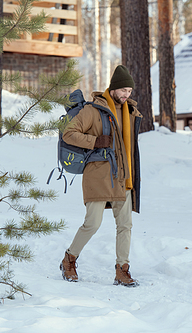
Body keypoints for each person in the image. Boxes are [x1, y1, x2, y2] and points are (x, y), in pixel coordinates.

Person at [59, 65, 143, 287]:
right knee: (92, 223)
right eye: (123, 90)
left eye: (130, 91)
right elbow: (69, 133)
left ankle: (122, 269)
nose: (126, 95)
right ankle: (69, 259)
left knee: (125, 225)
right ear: (113, 88)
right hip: (97, 175)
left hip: (122, 176)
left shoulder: (130, 112)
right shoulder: (93, 110)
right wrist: (95, 142)